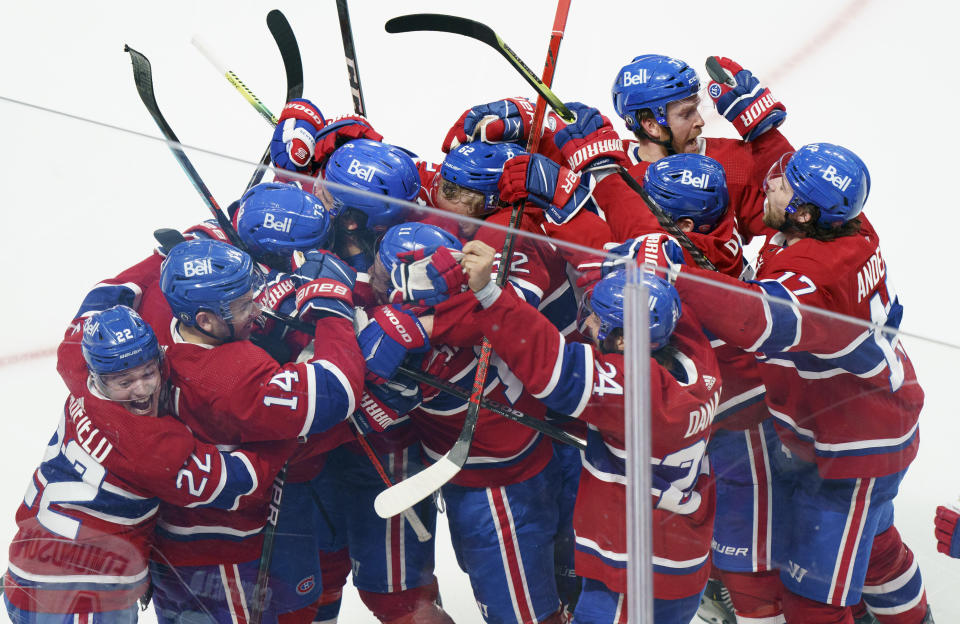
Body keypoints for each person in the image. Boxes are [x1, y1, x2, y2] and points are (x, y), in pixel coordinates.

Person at [671, 143, 932, 623]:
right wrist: (766, 132)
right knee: (876, 552)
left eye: (784, 182)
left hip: (855, 451)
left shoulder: (811, 272)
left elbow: (756, 322)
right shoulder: (848, 229)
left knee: (812, 600)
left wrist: (672, 276)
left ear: (805, 214)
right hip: (876, 426)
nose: (770, 182)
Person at [458, 240, 721, 624]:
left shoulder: (636, 392)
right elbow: (664, 294)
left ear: (623, 339)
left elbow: (554, 369)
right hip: (678, 558)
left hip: (635, 576)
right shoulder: (697, 357)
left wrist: (489, 294)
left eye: (598, 319)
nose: (588, 324)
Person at [4, 306, 275, 624]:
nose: (142, 389)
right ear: (99, 377)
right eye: (125, 382)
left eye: (148, 373)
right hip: (83, 601)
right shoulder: (150, 446)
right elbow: (239, 483)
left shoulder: (80, 383)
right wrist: (282, 435)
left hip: (26, 574)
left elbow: (83, 328)